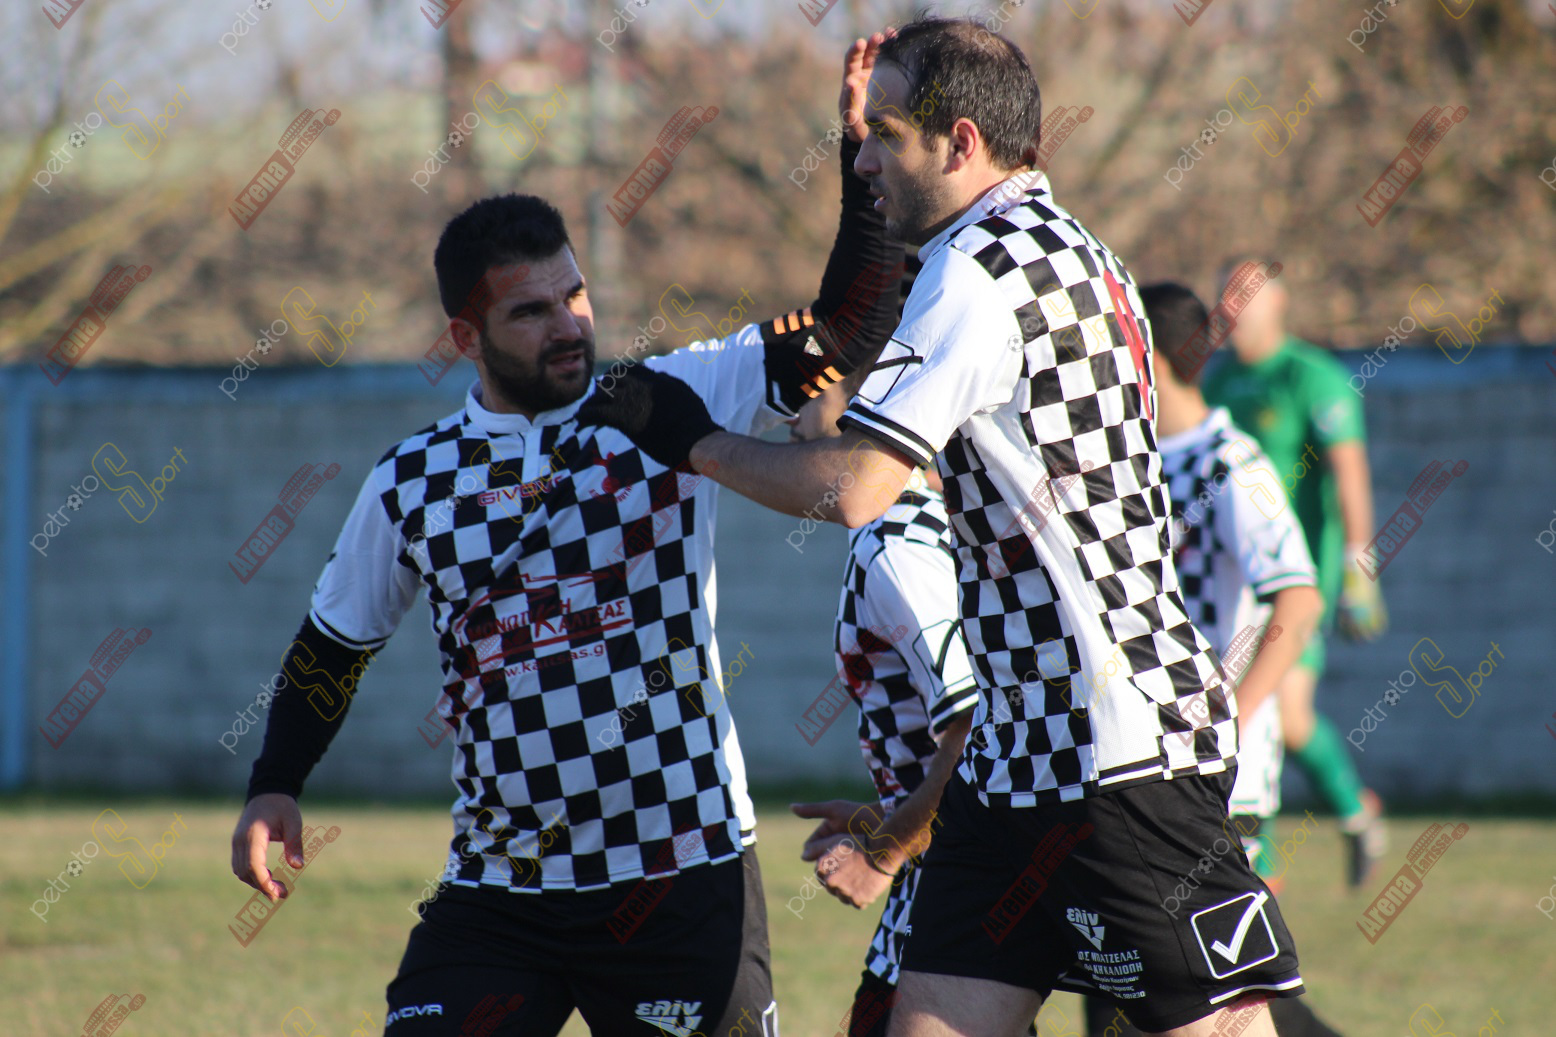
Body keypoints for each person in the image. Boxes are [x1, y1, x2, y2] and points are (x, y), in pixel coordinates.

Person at [579, 17, 1302, 1036]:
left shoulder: (978, 272)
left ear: (960, 142)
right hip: (1011, 764)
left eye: (884, 136)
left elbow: (855, 485)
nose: (862, 158)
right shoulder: (1066, 247)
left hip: (1116, 752)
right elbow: (860, 325)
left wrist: (692, 440)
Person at [228, 38, 902, 1036]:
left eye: (575, 295)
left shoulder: (671, 395)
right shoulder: (411, 479)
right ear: (466, 337)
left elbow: (845, 328)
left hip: (680, 871)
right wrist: (274, 783)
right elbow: (334, 643)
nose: (568, 325)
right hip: (501, 889)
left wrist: (860, 157)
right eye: (532, 311)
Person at [1080, 282, 1343, 1037]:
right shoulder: (1122, 462)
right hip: (1134, 755)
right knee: (1124, 965)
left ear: (1149, 358)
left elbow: (1298, 601)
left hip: (1214, 773)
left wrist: (1229, 717)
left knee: (1222, 987)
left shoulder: (1234, 463)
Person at [784, 319, 981, 1037]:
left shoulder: (897, 546)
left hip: (956, 877)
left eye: (805, 394)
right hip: (951, 858)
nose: (792, 421)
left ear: (864, 401)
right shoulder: (920, 523)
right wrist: (889, 810)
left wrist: (888, 848)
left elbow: (976, 722)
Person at [1202, 258, 1388, 887]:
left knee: (1281, 715)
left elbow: (1349, 473)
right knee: (1258, 716)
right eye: (1225, 295)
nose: (1232, 307)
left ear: (1278, 302)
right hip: (1233, 583)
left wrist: (1360, 568)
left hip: (1296, 585)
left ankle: (1279, 856)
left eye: (1246, 294)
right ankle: (1324, 829)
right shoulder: (1219, 381)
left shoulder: (1313, 377)